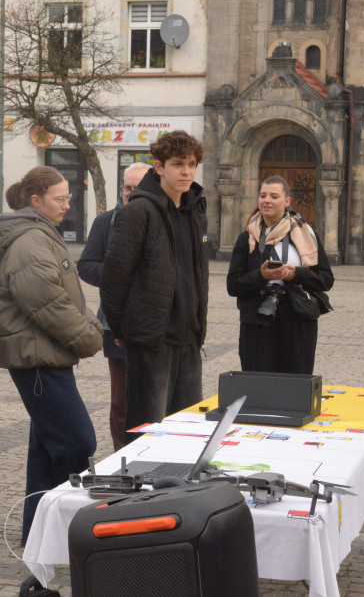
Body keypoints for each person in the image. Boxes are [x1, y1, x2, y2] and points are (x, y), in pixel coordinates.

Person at [0, 166, 102, 545]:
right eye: (60, 198)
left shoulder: (39, 235)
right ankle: (60, 527)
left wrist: (91, 326)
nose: (67, 205)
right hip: (36, 359)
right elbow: (46, 302)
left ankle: (38, 534)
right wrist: (89, 336)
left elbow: (64, 295)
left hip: (44, 356)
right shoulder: (29, 241)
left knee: (45, 449)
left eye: (68, 197)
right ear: (35, 201)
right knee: (78, 442)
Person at [100, 131, 208, 445]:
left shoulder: (195, 210)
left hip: (188, 339)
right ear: (159, 167)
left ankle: (179, 492)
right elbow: (114, 277)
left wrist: (199, 323)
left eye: (191, 164)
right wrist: (125, 328)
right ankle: (141, 493)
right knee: (148, 435)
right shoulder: (139, 211)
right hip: (152, 342)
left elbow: (198, 275)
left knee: (186, 432)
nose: (186, 172)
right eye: (178, 164)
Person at [226, 175, 334, 375]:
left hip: (298, 321)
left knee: (294, 387)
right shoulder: (247, 238)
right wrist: (262, 276)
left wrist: (297, 274)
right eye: (263, 195)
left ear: (287, 201)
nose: (267, 200)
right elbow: (233, 286)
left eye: (274, 196)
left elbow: (325, 280)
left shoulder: (306, 235)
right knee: (258, 386)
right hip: (257, 323)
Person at [77, 162, 150, 452]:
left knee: (151, 395)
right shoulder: (105, 221)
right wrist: (116, 274)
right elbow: (86, 266)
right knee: (121, 398)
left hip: (154, 322)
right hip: (114, 321)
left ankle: (150, 450)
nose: (131, 193)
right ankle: (122, 451)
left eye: (138, 187)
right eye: (127, 187)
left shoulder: (162, 219)